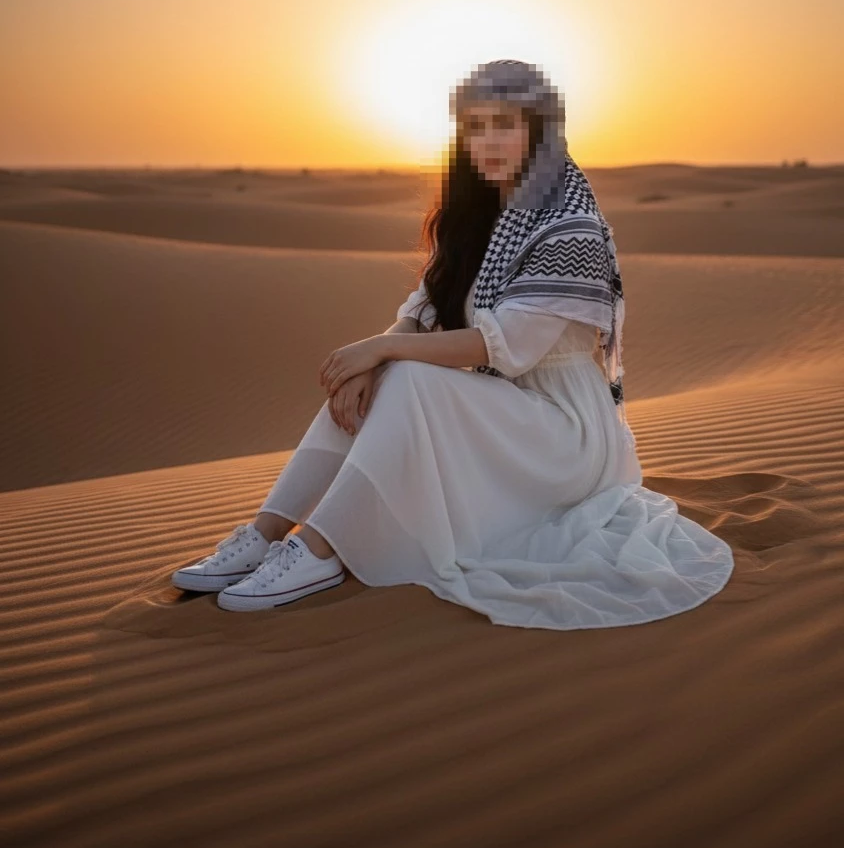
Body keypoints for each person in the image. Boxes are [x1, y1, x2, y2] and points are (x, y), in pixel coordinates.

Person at [171, 58, 735, 628]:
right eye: (475, 127)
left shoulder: (571, 230)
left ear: (539, 132)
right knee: (393, 373)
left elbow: (499, 348)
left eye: (504, 125)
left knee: (408, 373)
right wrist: (370, 362)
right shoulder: (480, 221)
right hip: (506, 415)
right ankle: (269, 529)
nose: (487, 141)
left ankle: (319, 549)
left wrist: (380, 351)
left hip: (567, 434)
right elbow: (418, 316)